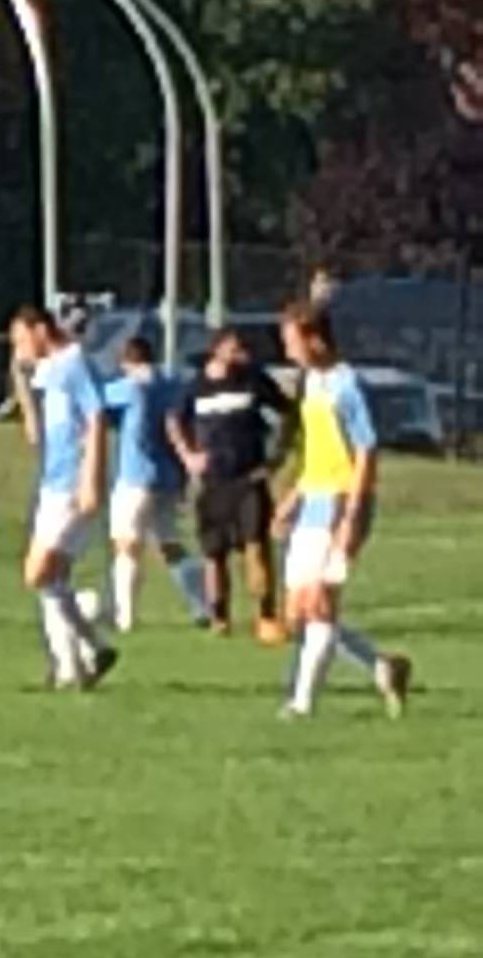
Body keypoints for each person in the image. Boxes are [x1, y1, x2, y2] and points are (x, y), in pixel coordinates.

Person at [274, 300, 414, 718]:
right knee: (298, 611)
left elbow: (365, 450)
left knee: (320, 602)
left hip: (339, 503)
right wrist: (293, 497)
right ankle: (383, 666)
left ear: (315, 339)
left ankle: (301, 705)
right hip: (313, 500)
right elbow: (318, 451)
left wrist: (352, 515)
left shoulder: (346, 385)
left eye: (292, 342)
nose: (288, 352)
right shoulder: (311, 383)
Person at [9, 305, 118, 691]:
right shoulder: (47, 372)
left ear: (41, 330)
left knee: (39, 573)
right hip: (52, 485)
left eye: (22, 339)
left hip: (73, 484)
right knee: (50, 580)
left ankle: (89, 647)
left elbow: (96, 418)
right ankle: (71, 666)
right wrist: (20, 380)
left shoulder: (74, 363)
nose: (19, 348)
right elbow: (35, 435)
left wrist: (91, 479)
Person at [186, 325, 291, 641]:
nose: (241, 354)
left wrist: (277, 457)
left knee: (256, 547)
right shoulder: (197, 386)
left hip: (249, 479)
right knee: (213, 554)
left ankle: (266, 616)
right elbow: (173, 420)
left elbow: (289, 413)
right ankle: (220, 617)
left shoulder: (254, 380)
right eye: (234, 347)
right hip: (213, 482)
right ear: (217, 349)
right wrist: (188, 455)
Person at [102, 333, 211, 634]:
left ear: (127, 361)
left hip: (136, 475)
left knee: (127, 544)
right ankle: (203, 605)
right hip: (170, 477)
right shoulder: (172, 384)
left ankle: (125, 616)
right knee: (170, 543)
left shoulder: (133, 385)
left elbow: (97, 400)